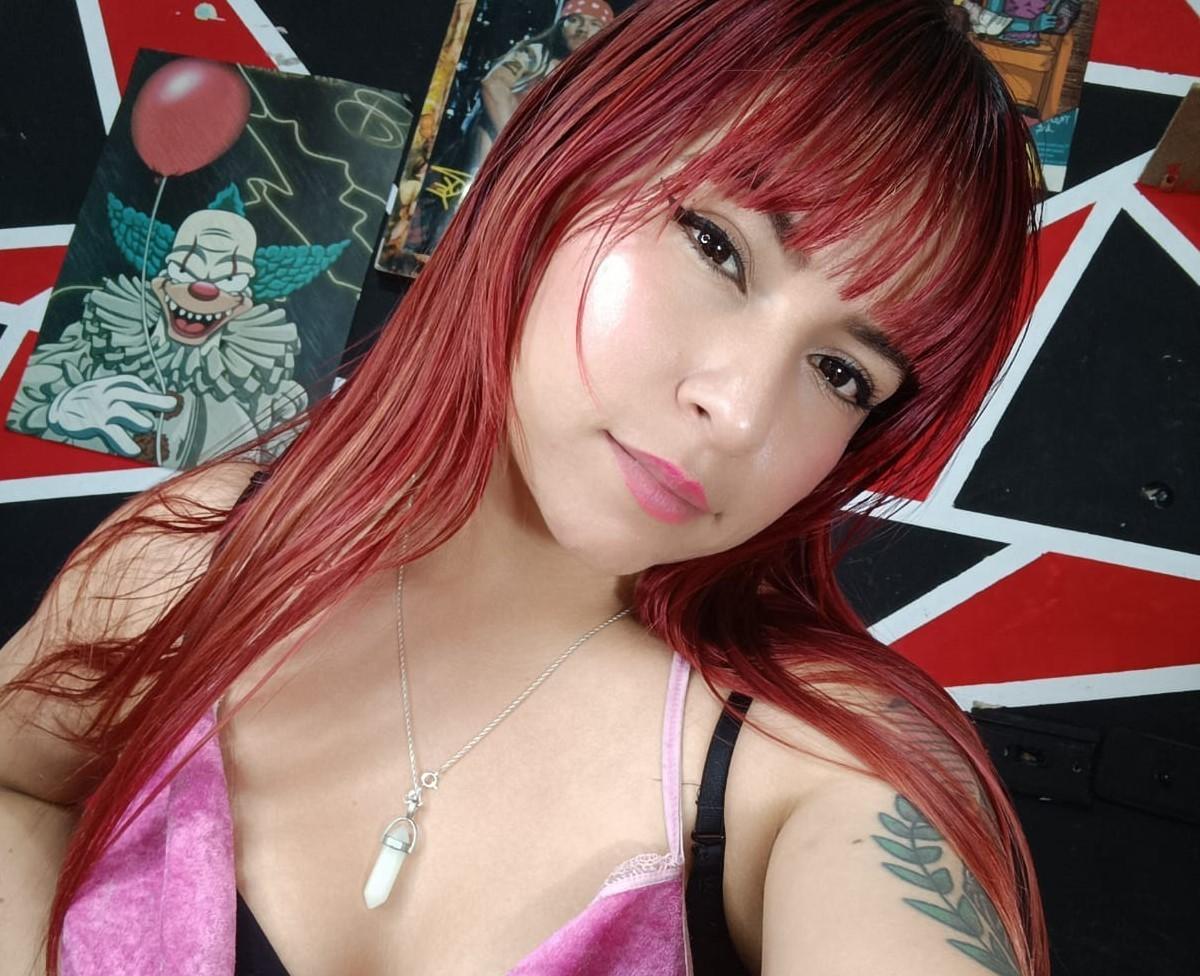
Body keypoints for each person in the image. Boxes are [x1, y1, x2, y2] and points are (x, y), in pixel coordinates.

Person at [0, 1, 1049, 974]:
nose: (739, 413)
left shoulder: (822, 769)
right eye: (718, 248)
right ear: (562, 165)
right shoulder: (191, 555)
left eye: (841, 373)